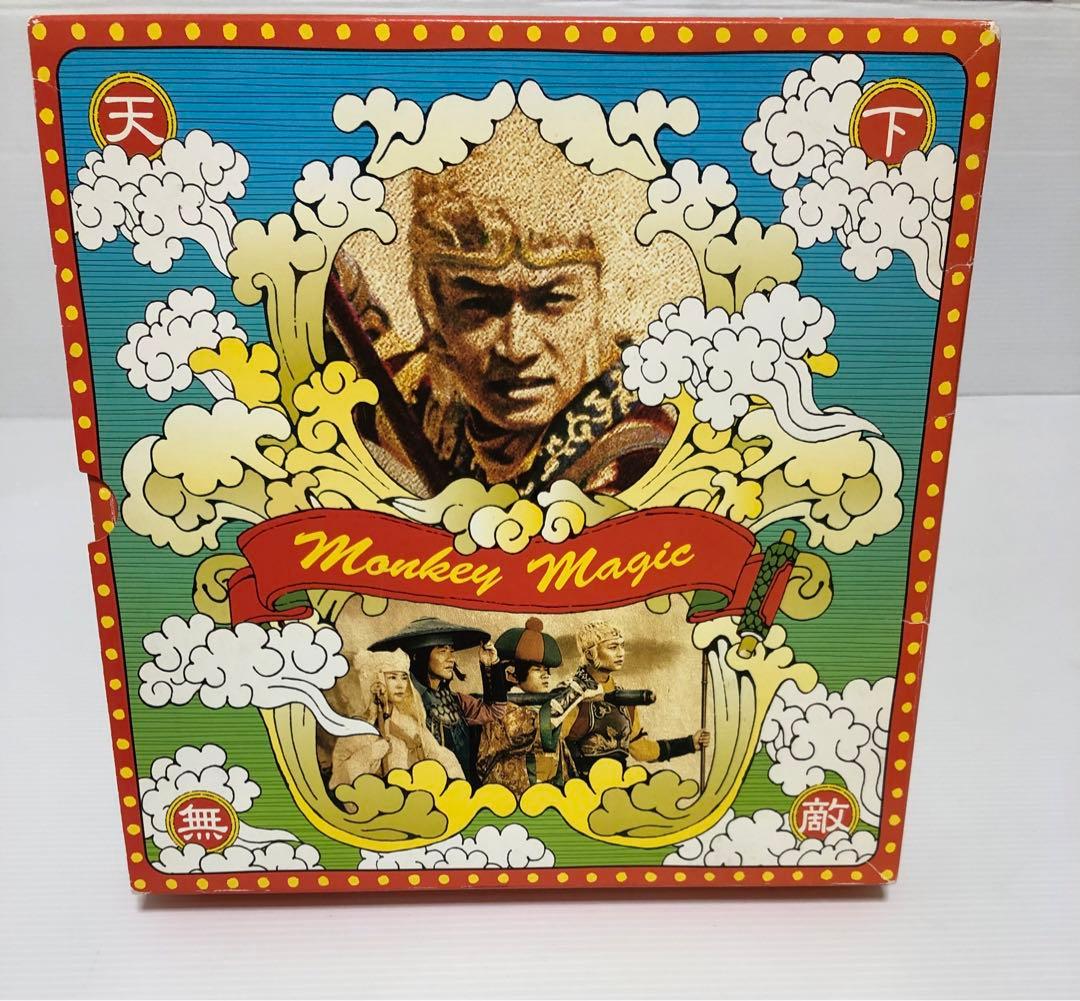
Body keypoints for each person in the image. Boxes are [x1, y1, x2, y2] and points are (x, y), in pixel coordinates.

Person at [323, 111, 689, 498]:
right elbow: (363, 354)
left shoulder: (634, 460)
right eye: (480, 305)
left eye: (553, 301)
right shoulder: (448, 415)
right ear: (433, 314)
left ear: (598, 302)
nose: (516, 348)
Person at [562, 620, 710, 776]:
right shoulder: (569, 695)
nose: (621, 653)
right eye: (613, 647)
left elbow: (640, 749)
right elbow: (550, 746)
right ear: (590, 654)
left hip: (618, 784)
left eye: (622, 646)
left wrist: (689, 743)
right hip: (579, 786)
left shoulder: (626, 700)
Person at [369, 616, 507, 782]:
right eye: (442, 651)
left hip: (461, 789)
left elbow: (495, 711)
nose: (451, 658)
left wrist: (491, 664)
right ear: (419, 655)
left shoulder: (456, 701)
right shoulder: (397, 704)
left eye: (451, 650)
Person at [329, 649, 463, 792]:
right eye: (393, 677)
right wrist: (370, 753)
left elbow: (438, 754)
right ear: (376, 681)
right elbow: (339, 778)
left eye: (404, 678)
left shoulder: (410, 723)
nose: (400, 685)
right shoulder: (359, 728)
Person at [475, 617, 576, 795]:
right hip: (513, 797)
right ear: (512, 674)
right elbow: (529, 729)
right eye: (537, 669)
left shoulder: (541, 705)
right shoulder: (501, 708)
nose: (546, 676)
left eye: (547, 670)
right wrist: (575, 693)